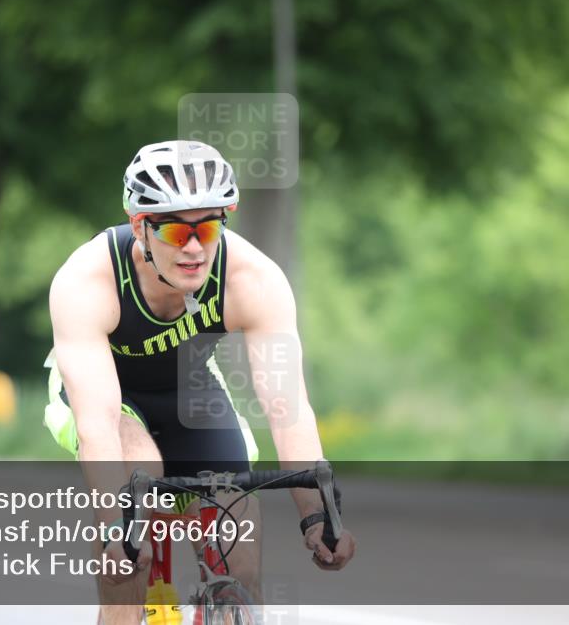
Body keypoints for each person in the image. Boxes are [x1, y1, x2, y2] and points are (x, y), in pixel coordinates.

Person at [44, 140, 356, 624]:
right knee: (132, 523)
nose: (193, 247)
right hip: (103, 400)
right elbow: (98, 425)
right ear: (139, 227)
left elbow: (285, 406)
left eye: (207, 227)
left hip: (188, 390)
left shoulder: (251, 279)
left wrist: (318, 516)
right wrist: (114, 531)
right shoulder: (87, 281)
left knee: (239, 548)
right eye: (173, 230)